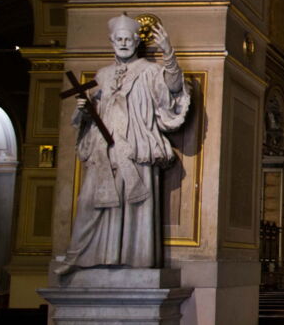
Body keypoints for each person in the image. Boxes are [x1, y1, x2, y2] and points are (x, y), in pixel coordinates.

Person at [56, 15, 191, 274]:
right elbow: (95, 111)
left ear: (137, 41)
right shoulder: (103, 75)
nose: (123, 43)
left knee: (135, 206)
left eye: (128, 39)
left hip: (135, 147)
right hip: (104, 147)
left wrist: (168, 52)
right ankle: (82, 256)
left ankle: (136, 259)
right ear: (111, 42)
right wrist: (84, 111)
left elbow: (173, 89)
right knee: (88, 201)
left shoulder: (149, 71)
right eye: (119, 39)